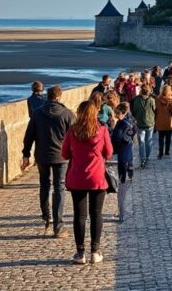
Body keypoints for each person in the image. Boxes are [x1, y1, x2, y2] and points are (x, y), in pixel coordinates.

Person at [62, 100, 113, 265]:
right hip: (97, 177)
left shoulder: (72, 131)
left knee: (79, 215)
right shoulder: (102, 130)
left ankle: (80, 253)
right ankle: (95, 252)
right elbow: (109, 153)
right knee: (96, 214)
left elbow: (64, 154)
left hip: (77, 178)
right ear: (94, 113)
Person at [21, 85, 76, 237]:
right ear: (59, 97)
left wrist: (26, 154)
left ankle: (47, 218)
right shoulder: (67, 114)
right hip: (61, 157)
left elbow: (29, 136)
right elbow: (75, 137)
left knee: (44, 185)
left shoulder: (37, 114)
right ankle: (58, 226)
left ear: (48, 96)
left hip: (42, 156)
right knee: (59, 188)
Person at [110, 102, 136, 223]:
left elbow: (116, 140)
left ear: (121, 112)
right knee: (126, 184)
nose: (115, 115)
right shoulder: (130, 121)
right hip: (129, 155)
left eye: (117, 113)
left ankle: (122, 214)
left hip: (123, 157)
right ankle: (124, 211)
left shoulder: (121, 124)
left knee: (122, 185)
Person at [130, 88, 156, 168]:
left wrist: (135, 117)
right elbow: (154, 110)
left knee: (144, 142)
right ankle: (145, 158)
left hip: (144, 123)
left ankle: (144, 159)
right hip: (146, 123)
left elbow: (133, 110)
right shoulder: (151, 99)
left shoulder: (136, 99)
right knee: (146, 142)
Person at [154, 85, 172, 158]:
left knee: (160, 137)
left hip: (159, 120)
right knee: (168, 137)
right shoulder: (171, 99)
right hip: (169, 120)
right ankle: (167, 151)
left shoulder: (157, 99)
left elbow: (155, 110)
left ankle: (160, 152)